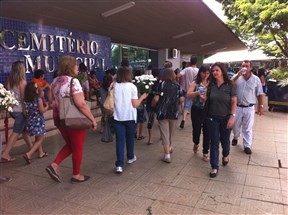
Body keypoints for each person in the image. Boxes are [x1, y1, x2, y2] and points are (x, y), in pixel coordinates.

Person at [46, 56, 97, 183]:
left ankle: (54, 165)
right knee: (77, 147)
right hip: (73, 119)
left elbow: (51, 101)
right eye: (75, 65)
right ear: (70, 67)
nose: (77, 67)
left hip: (59, 118)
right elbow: (81, 104)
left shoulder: (54, 81)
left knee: (70, 145)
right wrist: (92, 119)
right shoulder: (73, 82)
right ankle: (76, 175)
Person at [113, 67, 148, 173]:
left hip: (117, 117)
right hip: (130, 117)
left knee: (119, 141)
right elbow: (135, 104)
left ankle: (119, 165)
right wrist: (142, 98)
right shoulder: (132, 87)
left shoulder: (114, 86)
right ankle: (130, 157)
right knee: (130, 138)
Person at [206, 62, 237, 178]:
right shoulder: (211, 86)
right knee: (214, 142)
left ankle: (225, 155)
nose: (214, 73)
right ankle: (214, 166)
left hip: (226, 117)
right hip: (212, 117)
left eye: (216, 70)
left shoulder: (230, 85)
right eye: (213, 71)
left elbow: (234, 102)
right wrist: (204, 98)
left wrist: (232, 116)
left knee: (225, 140)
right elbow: (208, 101)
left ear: (222, 71)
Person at [1, 61, 33, 162]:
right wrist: (25, 111)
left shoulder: (9, 81)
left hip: (13, 109)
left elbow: (7, 94)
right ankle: (6, 153)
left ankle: (32, 148)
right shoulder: (22, 82)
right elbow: (23, 98)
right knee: (16, 132)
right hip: (20, 110)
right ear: (21, 69)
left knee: (23, 130)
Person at [231, 60, 264, 155]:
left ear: (250, 68)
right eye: (242, 66)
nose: (244, 67)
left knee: (247, 127)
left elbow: (259, 93)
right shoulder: (237, 77)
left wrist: (261, 106)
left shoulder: (256, 79)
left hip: (249, 107)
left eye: (246, 66)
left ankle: (247, 145)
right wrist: (238, 75)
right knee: (235, 125)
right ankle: (236, 137)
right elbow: (229, 83)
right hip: (237, 107)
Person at [152, 68, 184, 163]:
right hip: (174, 112)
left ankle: (167, 155)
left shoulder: (161, 85)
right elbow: (182, 100)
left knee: (164, 134)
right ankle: (169, 147)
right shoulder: (178, 86)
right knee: (171, 132)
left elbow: (156, 99)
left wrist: (153, 103)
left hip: (162, 112)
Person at [186, 65, 211, 161]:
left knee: (207, 131)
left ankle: (205, 151)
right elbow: (188, 94)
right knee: (196, 130)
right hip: (196, 109)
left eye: (208, 73)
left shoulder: (211, 83)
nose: (205, 75)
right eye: (204, 73)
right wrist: (198, 92)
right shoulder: (195, 83)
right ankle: (196, 143)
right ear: (200, 72)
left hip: (207, 110)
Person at [23, 82, 49, 164]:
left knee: (38, 137)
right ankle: (29, 153)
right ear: (35, 91)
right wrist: (47, 106)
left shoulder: (25, 100)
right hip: (38, 121)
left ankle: (41, 153)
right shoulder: (38, 99)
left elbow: (24, 112)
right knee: (41, 138)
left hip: (30, 121)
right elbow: (42, 111)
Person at [177, 56, 199, 129]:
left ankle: (183, 119)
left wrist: (179, 81)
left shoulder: (186, 69)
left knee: (184, 104)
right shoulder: (198, 70)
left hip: (184, 89)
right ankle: (187, 118)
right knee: (189, 104)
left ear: (190, 62)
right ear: (196, 62)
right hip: (193, 90)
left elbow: (178, 76)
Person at [146, 68, 160, 145]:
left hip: (149, 103)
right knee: (160, 120)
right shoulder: (160, 83)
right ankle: (161, 135)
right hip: (158, 104)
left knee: (150, 120)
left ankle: (150, 138)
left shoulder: (149, 82)